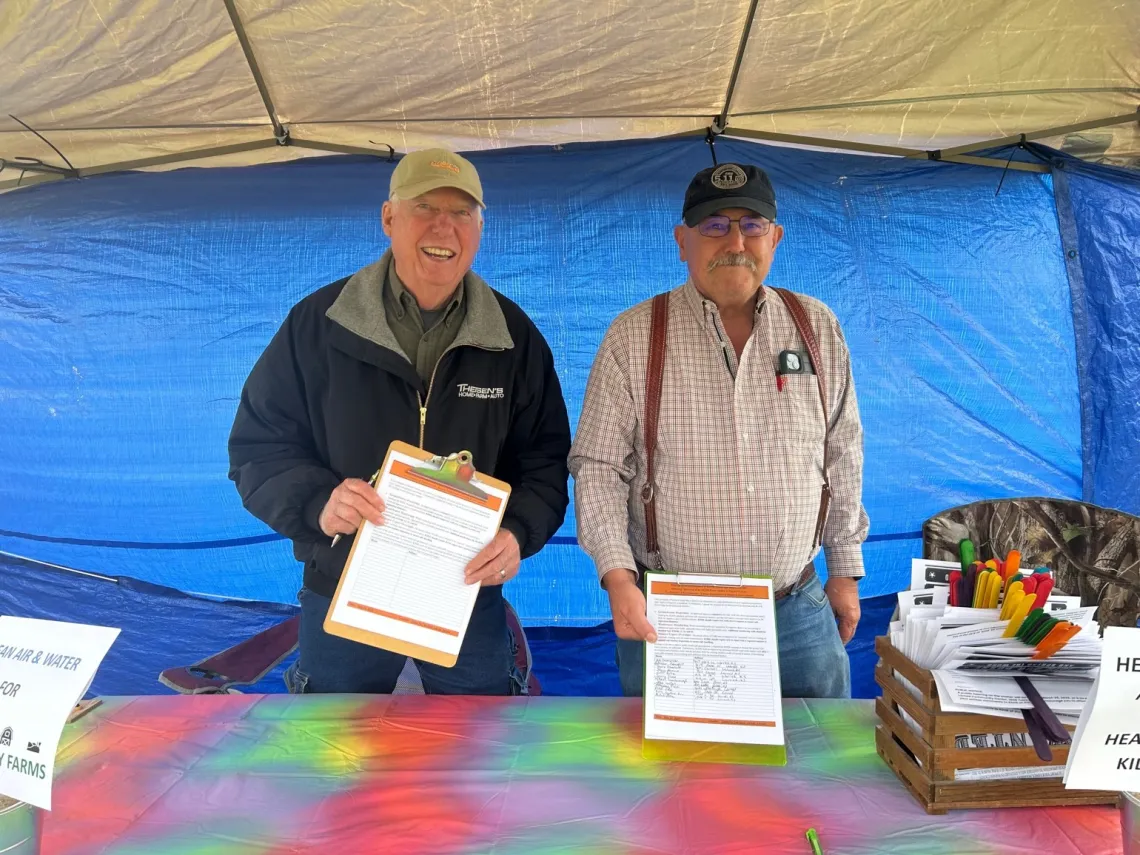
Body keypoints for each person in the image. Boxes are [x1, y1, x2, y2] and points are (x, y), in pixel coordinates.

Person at [228, 148, 571, 695]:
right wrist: (321, 503)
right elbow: (257, 449)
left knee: (477, 745)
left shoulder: (514, 337)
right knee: (333, 750)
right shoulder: (318, 325)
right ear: (389, 218)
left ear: (480, 228)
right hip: (343, 587)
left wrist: (518, 531)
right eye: (425, 208)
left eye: (462, 213)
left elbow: (546, 460)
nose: (444, 226)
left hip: (463, 591)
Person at [568, 161, 869, 698]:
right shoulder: (635, 335)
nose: (735, 240)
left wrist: (843, 569)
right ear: (683, 241)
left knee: (817, 770)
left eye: (751, 225)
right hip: (673, 616)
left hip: (795, 609)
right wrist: (617, 577)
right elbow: (597, 467)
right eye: (714, 226)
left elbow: (841, 451)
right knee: (678, 777)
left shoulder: (816, 325)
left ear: (774, 237)